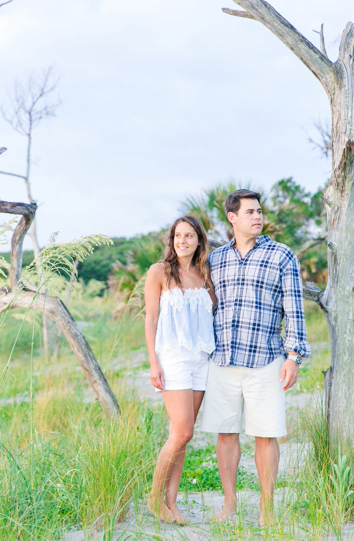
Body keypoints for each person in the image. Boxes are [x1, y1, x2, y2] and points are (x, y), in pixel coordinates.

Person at [201, 189, 311, 526]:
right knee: (226, 433)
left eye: (260, 211)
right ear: (232, 218)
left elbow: (295, 309)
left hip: (266, 360)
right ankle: (230, 503)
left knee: (266, 434)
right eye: (250, 212)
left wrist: (294, 356)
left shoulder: (282, 255)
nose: (258, 217)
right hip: (222, 361)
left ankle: (267, 508)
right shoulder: (215, 259)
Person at [144, 215, 216, 524]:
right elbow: (151, 319)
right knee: (182, 431)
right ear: (172, 240)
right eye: (177, 236)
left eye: (189, 235)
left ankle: (171, 504)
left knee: (182, 436)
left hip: (202, 358)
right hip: (173, 358)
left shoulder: (205, 273)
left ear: (199, 240)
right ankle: (154, 499)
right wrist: (154, 362)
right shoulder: (159, 272)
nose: (182, 240)